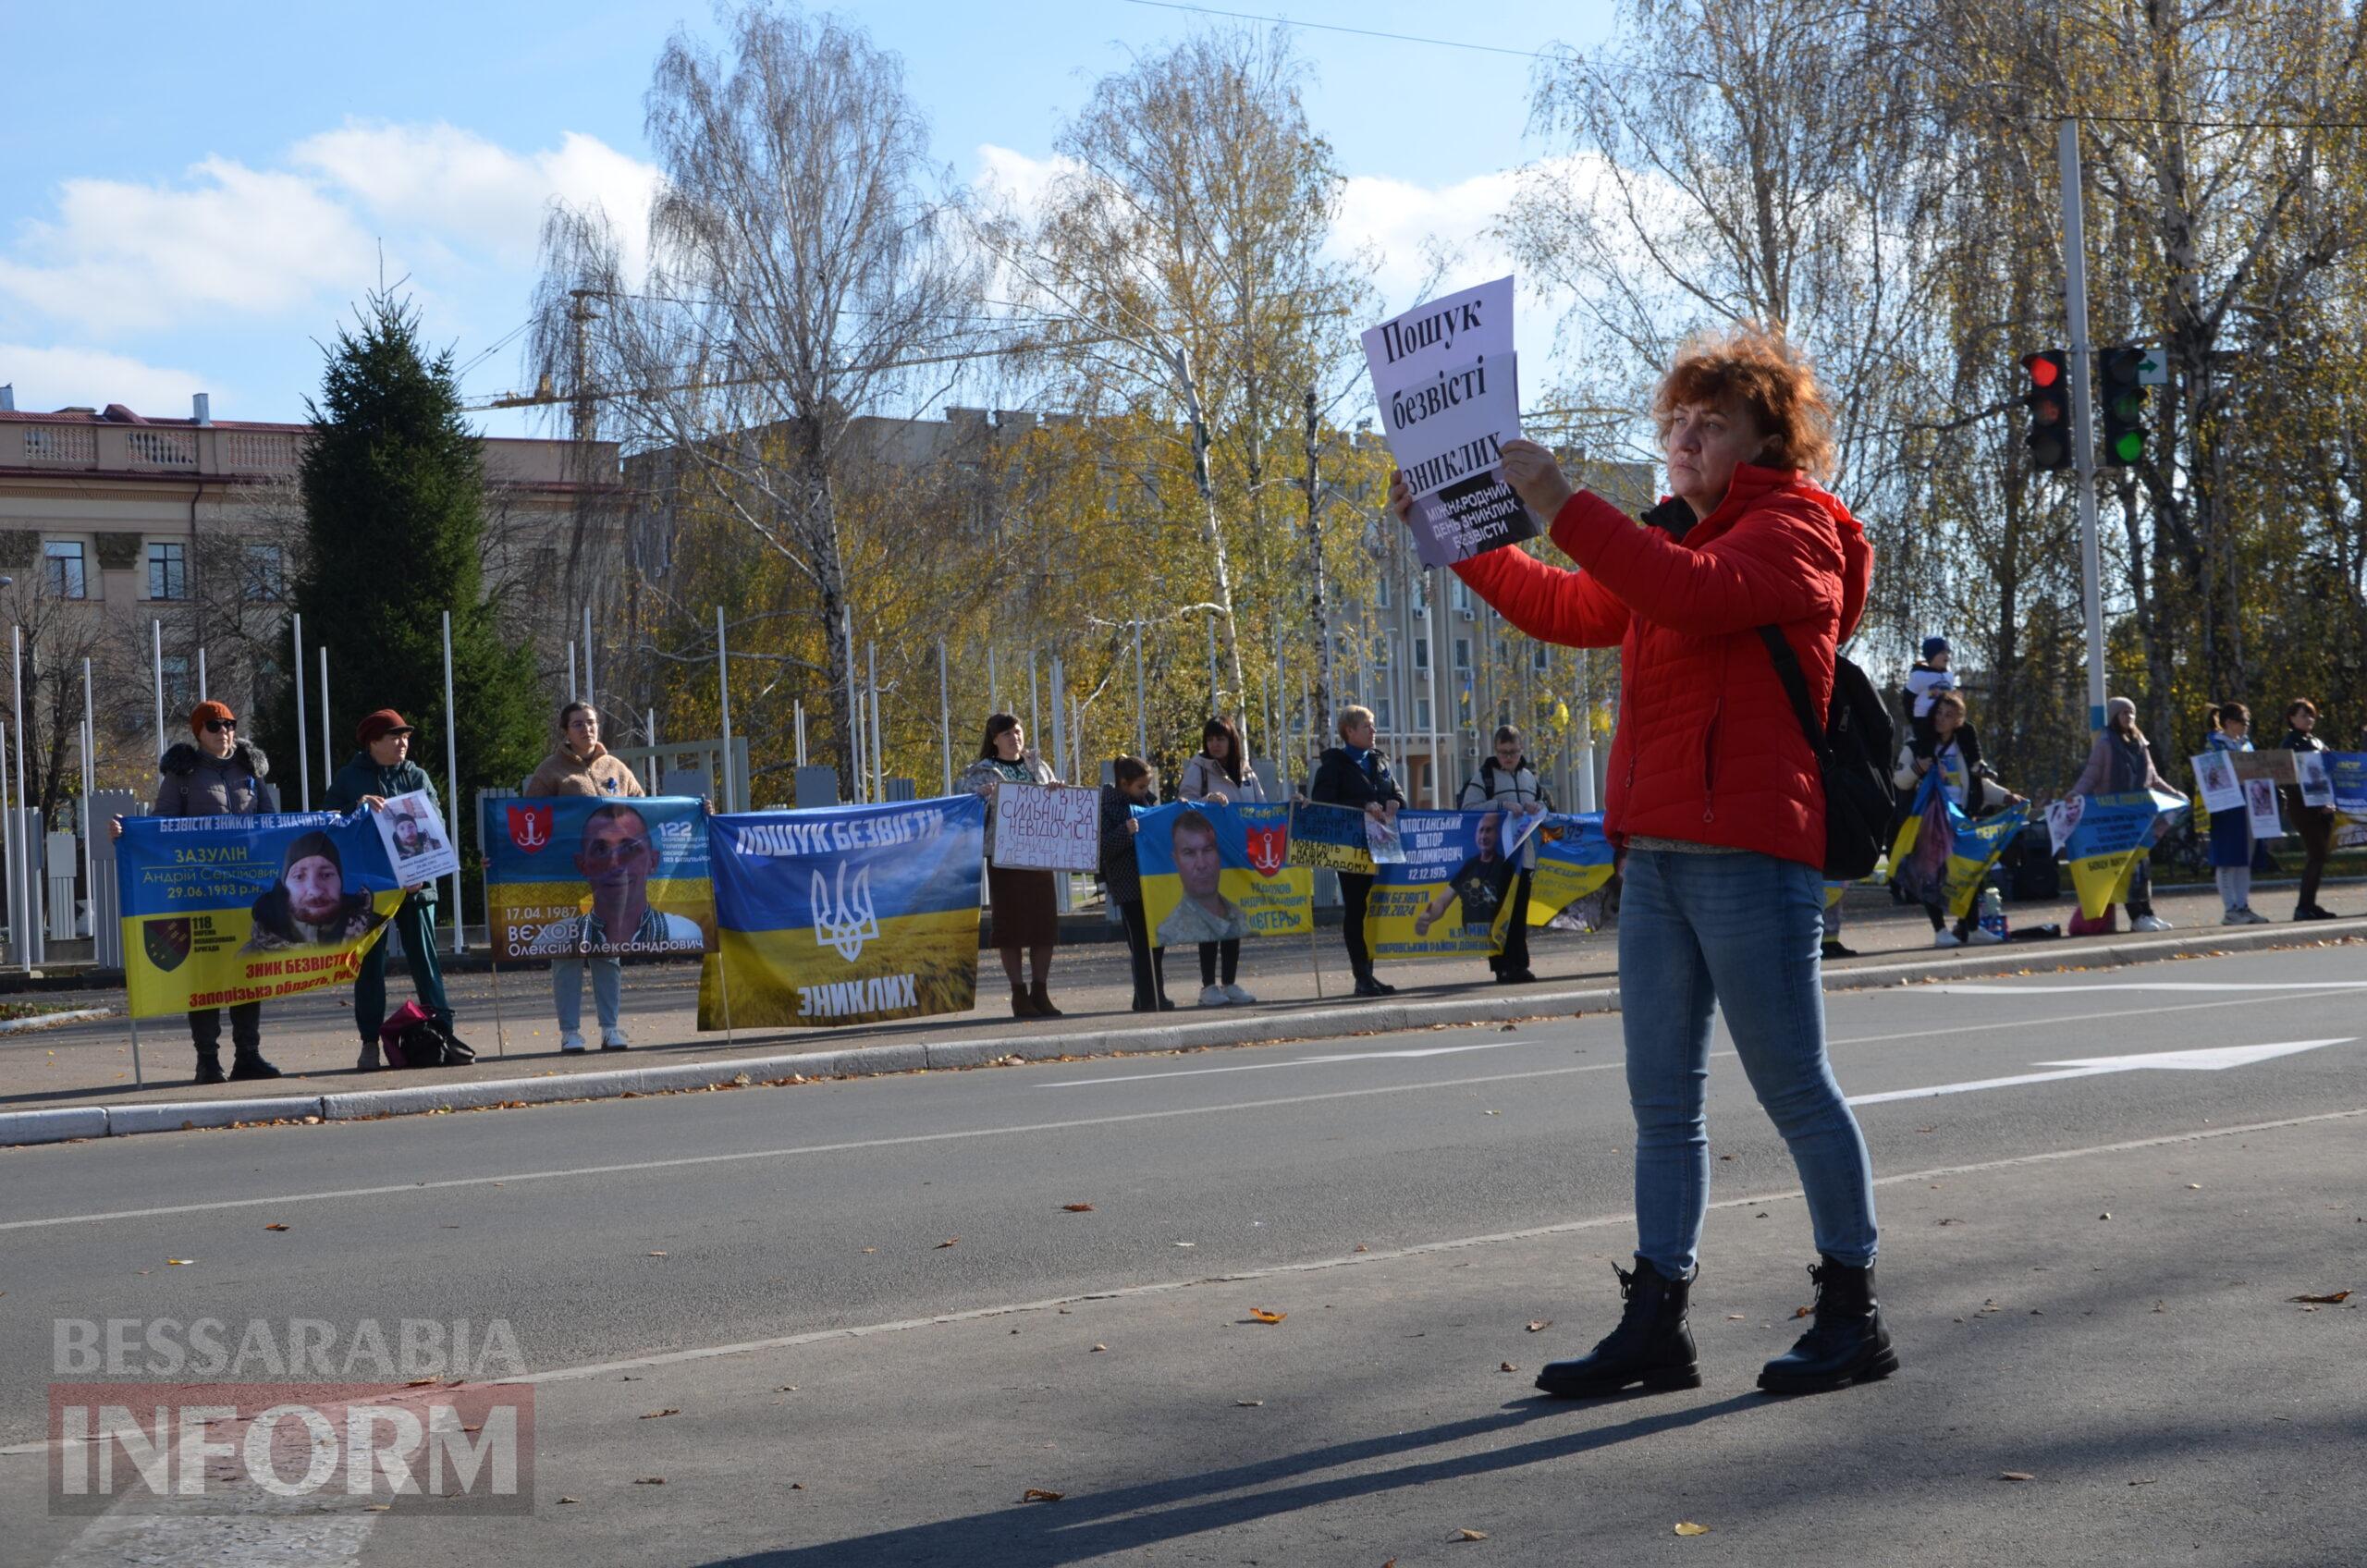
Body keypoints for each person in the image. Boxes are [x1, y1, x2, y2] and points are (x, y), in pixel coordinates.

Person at [1404, 321, 1893, 1398]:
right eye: (1674, 419)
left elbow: (1689, 594)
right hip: (1659, 853)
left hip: (1751, 854)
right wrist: (1459, 533)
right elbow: (1569, 603)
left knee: (1793, 1088)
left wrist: (1561, 505)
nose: (1682, 437)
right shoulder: (1666, 536)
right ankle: (1656, 1322)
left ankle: (1853, 1311)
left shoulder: (1798, 533)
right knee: (1662, 1103)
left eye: (1709, 422)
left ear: (1771, 439)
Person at [114, 701, 284, 1083]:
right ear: (197, 732)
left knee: (247, 969)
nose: (224, 731)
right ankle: (208, 1060)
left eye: (230, 724)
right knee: (204, 977)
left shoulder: (250, 771)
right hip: (199, 891)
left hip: (245, 892)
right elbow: (161, 826)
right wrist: (129, 833)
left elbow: (273, 824)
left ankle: (248, 1056)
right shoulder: (183, 775)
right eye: (214, 725)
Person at [325, 709, 456, 1070]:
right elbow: (328, 823)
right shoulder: (350, 778)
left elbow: (436, 823)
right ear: (373, 743)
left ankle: (442, 1033)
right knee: (369, 968)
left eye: (406, 736)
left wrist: (421, 872)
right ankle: (369, 1042)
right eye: (394, 736)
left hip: (416, 887)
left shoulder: (417, 775)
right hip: (371, 890)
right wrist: (356, 807)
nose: (403, 742)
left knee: (426, 964)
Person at [522, 701, 648, 1051]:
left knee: (608, 951)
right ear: (565, 731)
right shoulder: (550, 772)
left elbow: (644, 808)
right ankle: (570, 1032)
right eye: (578, 724)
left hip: (612, 878)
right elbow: (527, 820)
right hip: (567, 877)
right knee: (567, 954)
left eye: (591, 723)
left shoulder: (616, 768)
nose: (586, 729)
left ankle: (611, 1028)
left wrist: (695, 810)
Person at [1892, 692, 2023, 948]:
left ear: (1959, 720)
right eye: (1939, 713)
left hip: (1961, 819)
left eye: (1949, 715)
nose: (1941, 719)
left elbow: (1979, 785)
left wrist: (2007, 797)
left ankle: (1972, 928)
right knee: (1931, 875)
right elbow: (1899, 780)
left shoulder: (1965, 749)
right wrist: (1919, 768)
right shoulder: (1916, 745)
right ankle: (1940, 931)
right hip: (1929, 821)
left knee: (1969, 872)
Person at [957, 714, 1064, 1019]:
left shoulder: (1038, 766)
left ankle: (1040, 991)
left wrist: (1058, 791)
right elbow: (965, 809)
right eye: (1006, 733)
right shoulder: (979, 773)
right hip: (1004, 857)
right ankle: (1019, 994)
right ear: (994, 739)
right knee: (1011, 928)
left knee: (1044, 927)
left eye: (1016, 731)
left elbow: (1055, 806)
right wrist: (982, 796)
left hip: (1041, 856)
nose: (1014, 737)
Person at [1310, 705, 1405, 998]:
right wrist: (1362, 805)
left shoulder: (1379, 761)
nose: (1374, 731)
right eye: (1367, 726)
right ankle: (1361, 976)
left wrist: (1394, 802)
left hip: (1383, 845)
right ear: (1349, 731)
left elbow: (1398, 793)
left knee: (1374, 909)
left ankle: (1371, 975)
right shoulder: (1334, 765)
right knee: (1356, 909)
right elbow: (1322, 802)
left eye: (1373, 725)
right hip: (1351, 847)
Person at [2067, 696, 2177, 932]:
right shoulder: (2106, 743)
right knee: (2125, 870)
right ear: (2114, 716)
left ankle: (2148, 913)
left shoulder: (2140, 743)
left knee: (2141, 867)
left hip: (2139, 818)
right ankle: (2137, 917)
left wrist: (2175, 794)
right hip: (2115, 819)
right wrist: (2075, 795)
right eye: (2124, 713)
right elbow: (2092, 775)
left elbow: (2153, 778)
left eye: (2132, 713)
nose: (2129, 717)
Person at [1177, 717, 1261, 1005]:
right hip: (1210, 856)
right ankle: (1207, 987)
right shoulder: (1198, 769)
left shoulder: (1247, 772)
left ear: (1232, 741)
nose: (1215, 744)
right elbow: (1183, 803)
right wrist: (1206, 801)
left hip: (1240, 856)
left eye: (1221, 738)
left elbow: (1261, 809)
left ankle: (1230, 983)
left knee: (1233, 920)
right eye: (1211, 738)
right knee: (1209, 920)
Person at [1457, 725, 1550, 983]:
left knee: (1519, 912)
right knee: (1499, 912)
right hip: (1497, 858)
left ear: (1521, 750)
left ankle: (1519, 964)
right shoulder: (1484, 777)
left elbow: (1546, 808)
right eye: (1503, 752)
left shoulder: (1530, 778)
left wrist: (1536, 806)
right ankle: (1502, 966)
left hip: (1525, 856)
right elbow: (1469, 808)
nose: (1508, 757)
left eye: (1513, 752)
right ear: (1495, 751)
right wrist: (1501, 806)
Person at [1098, 757, 1171, 1012]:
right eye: (1140, 787)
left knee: (1156, 942)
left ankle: (1150, 994)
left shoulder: (1146, 802)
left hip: (1151, 881)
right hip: (1127, 884)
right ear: (1124, 784)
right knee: (1140, 943)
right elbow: (1102, 848)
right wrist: (1126, 832)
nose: (1145, 792)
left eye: (1146, 786)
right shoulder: (1107, 806)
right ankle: (1148, 998)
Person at [243, 831, 386, 950]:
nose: (315, 891)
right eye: (299, 877)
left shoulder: (372, 933)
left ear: (341, 881)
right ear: (285, 887)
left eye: (326, 875)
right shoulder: (255, 954)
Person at [2203, 702, 2267, 925]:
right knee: (2227, 860)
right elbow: (2211, 775)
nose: (2247, 726)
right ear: (2230, 722)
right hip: (2227, 809)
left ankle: (2243, 906)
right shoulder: (2215, 744)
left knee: (2244, 860)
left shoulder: (2246, 745)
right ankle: (2230, 909)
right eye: (2244, 722)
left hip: (2250, 808)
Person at [2280, 700, 2340, 921]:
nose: (2308, 719)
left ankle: (2310, 905)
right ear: (2292, 719)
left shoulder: (2316, 741)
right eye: (2303, 715)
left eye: (2311, 715)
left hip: (2323, 807)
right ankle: (2302, 908)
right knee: (2317, 854)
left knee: (2321, 855)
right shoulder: (2290, 744)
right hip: (2303, 807)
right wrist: (2317, 803)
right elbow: (2292, 780)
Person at [1154, 809, 1249, 947]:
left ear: (1219, 854)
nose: (1201, 864)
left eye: (1208, 850)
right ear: (1176, 860)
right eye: (1189, 853)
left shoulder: (1243, 917)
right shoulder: (1167, 933)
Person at [1903, 637, 1956, 743]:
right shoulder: (1919, 675)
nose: (1947, 656)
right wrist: (1915, 721)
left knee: (1967, 729)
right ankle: (1922, 756)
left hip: (1944, 719)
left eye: (1947, 652)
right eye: (1942, 653)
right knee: (1928, 748)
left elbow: (1952, 699)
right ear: (1932, 655)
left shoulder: (1949, 676)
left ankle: (1975, 758)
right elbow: (1907, 700)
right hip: (1924, 720)